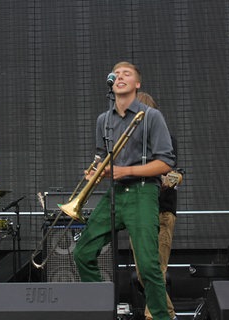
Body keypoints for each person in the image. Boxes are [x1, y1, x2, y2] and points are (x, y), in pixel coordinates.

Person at [72, 62, 177, 320]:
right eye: (116, 74)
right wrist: (96, 172)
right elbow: (102, 158)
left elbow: (165, 163)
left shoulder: (151, 116)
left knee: (149, 266)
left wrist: (125, 171)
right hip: (116, 194)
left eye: (126, 74)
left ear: (137, 84)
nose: (120, 77)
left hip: (143, 193)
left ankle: (162, 317)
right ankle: (101, 309)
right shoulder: (103, 120)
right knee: (83, 252)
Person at [130, 92, 180, 320]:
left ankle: (156, 316)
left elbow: (169, 174)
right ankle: (168, 314)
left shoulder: (165, 138)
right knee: (144, 273)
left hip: (160, 213)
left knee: (155, 271)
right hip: (138, 215)